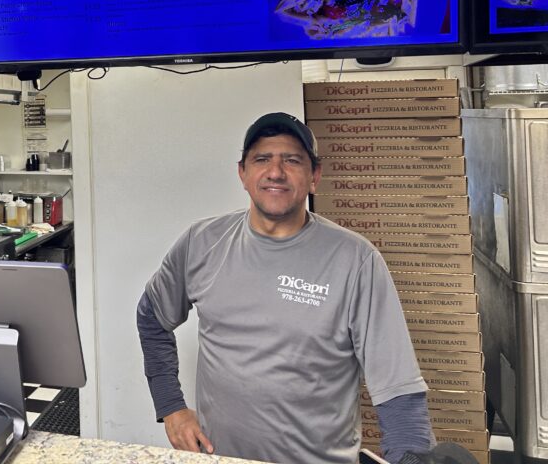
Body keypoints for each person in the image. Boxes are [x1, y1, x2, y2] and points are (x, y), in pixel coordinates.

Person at [137, 112, 435, 464]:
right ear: (242, 174)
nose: (275, 172)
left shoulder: (356, 260)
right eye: (262, 159)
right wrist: (171, 406)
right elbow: (152, 318)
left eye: (292, 160)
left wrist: (412, 458)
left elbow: (399, 391)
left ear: (314, 177)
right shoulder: (201, 243)